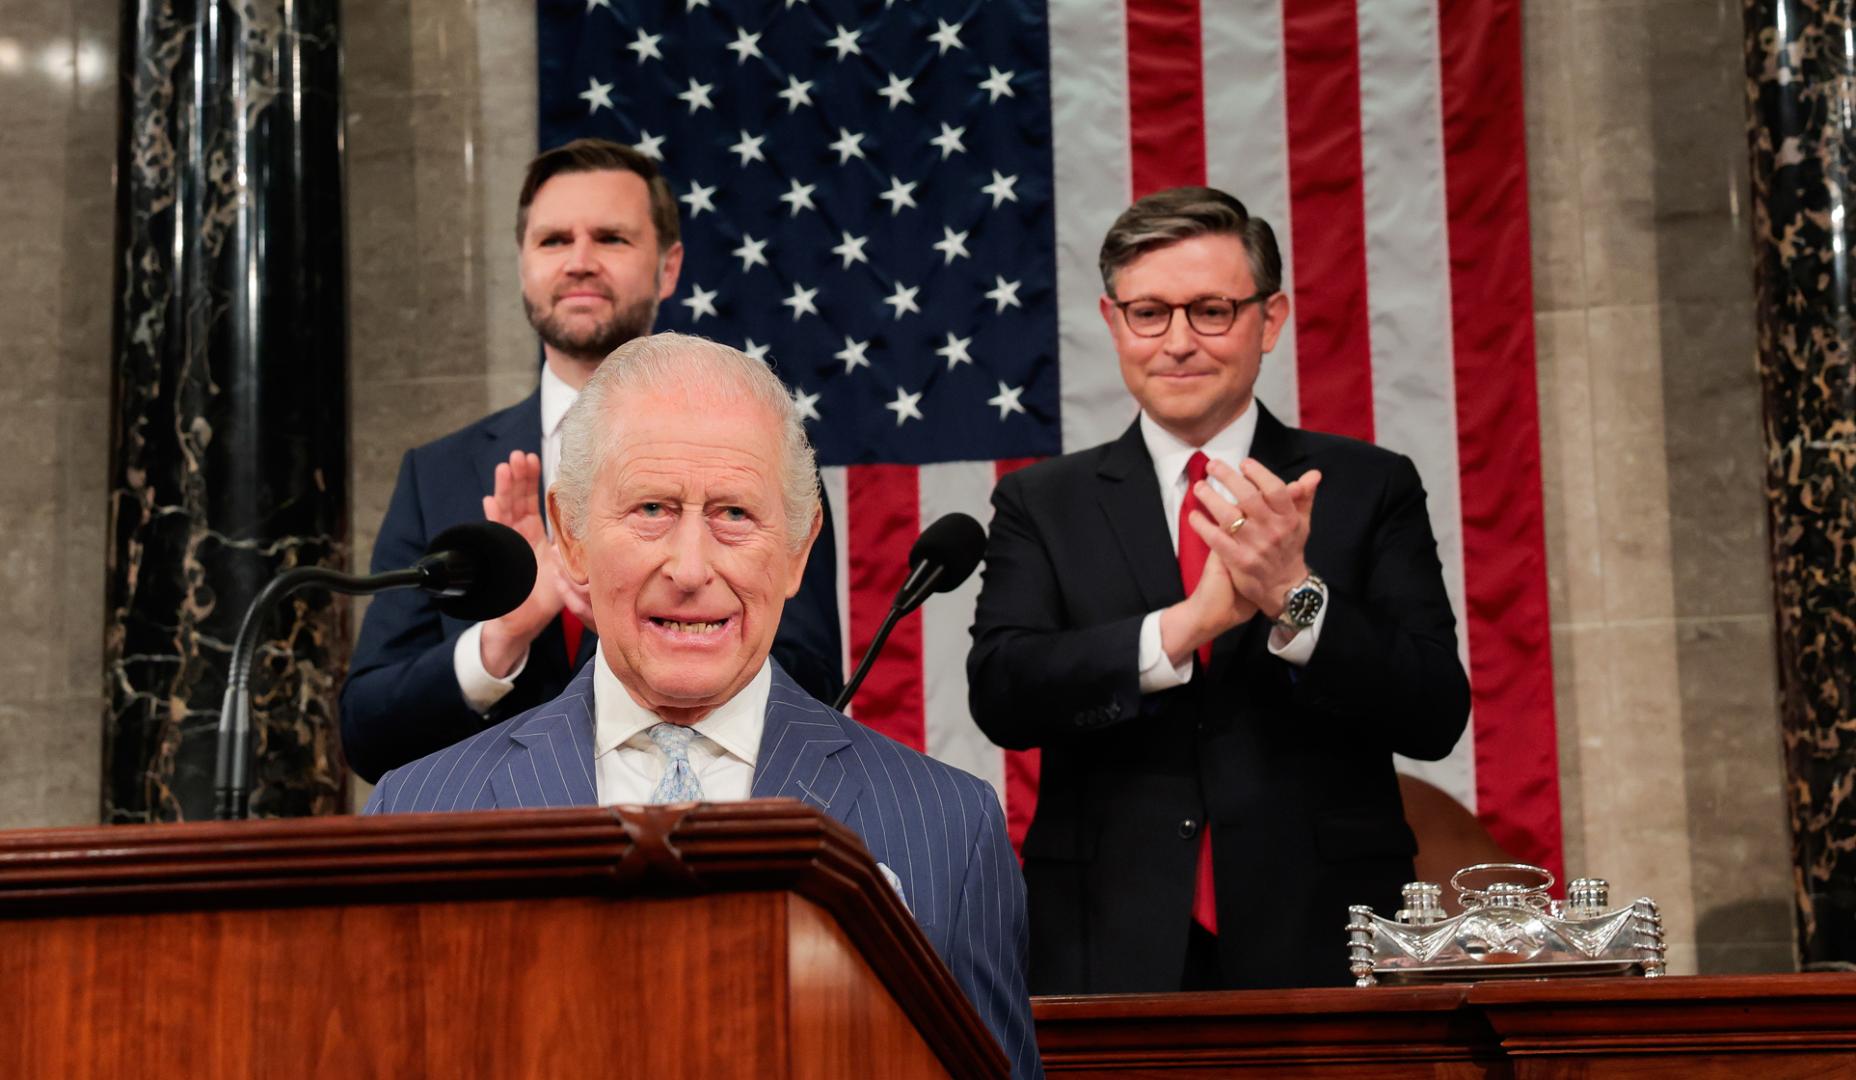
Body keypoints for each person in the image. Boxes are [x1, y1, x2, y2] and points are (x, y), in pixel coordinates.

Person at [365, 334, 1040, 1078]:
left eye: (735, 515)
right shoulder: (422, 811)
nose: (691, 569)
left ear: (797, 550)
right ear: (572, 540)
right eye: (652, 508)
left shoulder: (948, 830)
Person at [967, 186, 1470, 993]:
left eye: (1210, 310)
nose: (1177, 342)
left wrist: (1295, 598)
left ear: (1270, 321)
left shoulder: (1367, 486)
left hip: (1322, 937)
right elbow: (1003, 693)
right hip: (1109, 938)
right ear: (1111, 321)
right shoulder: (1042, 502)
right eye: (1149, 313)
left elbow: (1435, 712)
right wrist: (1183, 627)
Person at [342, 139, 842, 783]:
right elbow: (368, 735)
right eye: (553, 241)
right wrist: (500, 642)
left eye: (610, 238)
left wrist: (610, 604)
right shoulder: (437, 475)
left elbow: (815, 684)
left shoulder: (758, 455)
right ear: (522, 265)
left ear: (668, 267)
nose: (580, 262)